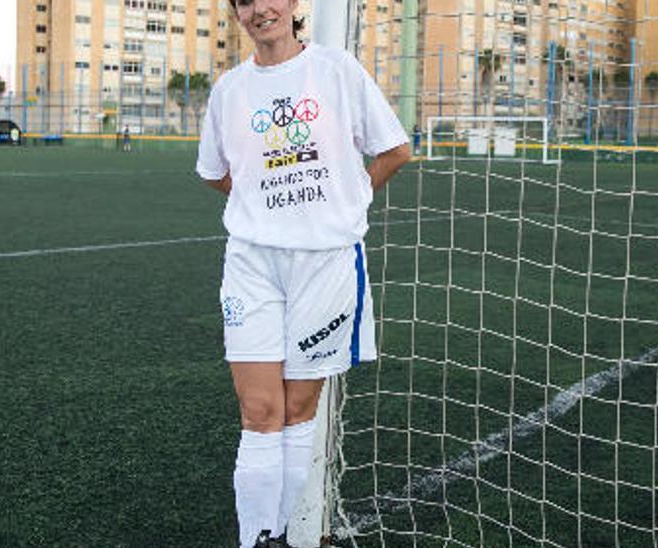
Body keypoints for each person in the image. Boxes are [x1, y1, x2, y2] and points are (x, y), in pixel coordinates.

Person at [194, 0, 412, 546]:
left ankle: (287, 535)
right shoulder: (229, 91)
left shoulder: (336, 70)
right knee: (259, 409)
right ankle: (256, 539)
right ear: (238, 14)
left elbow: (395, 150)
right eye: (245, 2)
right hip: (252, 263)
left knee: (296, 408)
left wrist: (348, 195)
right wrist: (265, 207)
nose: (259, 10)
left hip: (325, 263)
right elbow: (216, 174)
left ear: (292, 4)